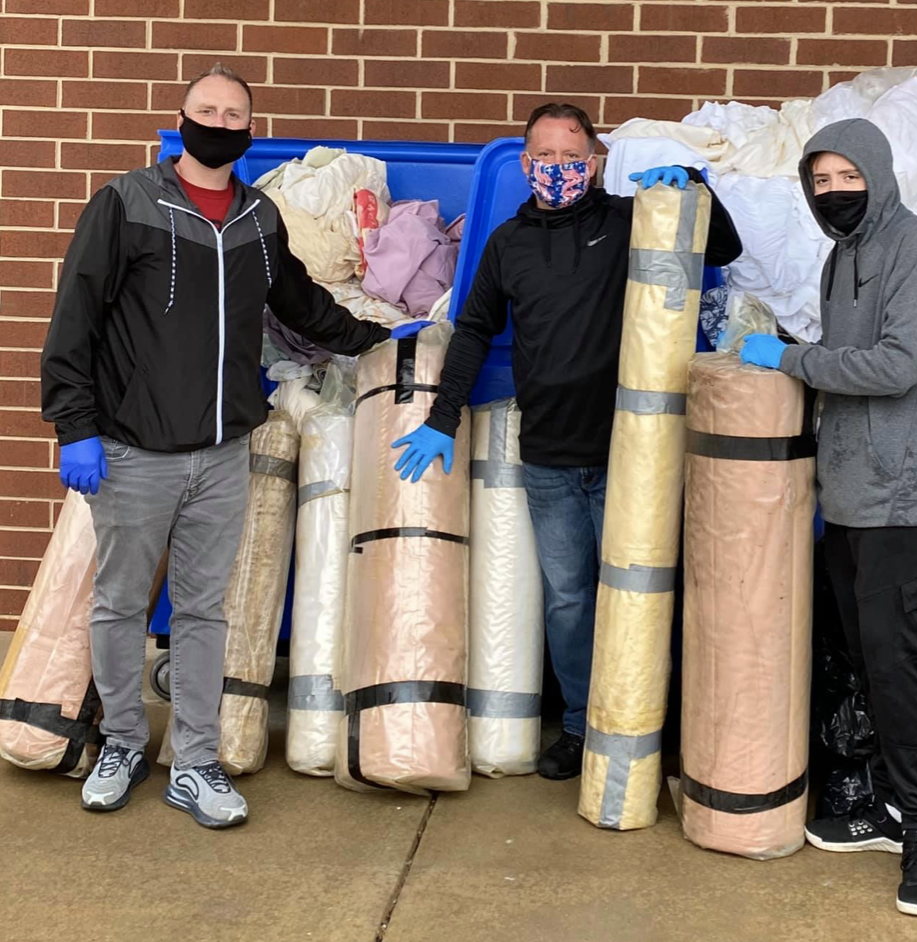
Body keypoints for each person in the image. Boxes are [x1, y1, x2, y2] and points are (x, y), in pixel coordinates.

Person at [40, 62, 427, 829]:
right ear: (182, 120)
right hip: (135, 450)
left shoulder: (258, 217)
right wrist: (75, 427)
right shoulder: (126, 204)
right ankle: (122, 744)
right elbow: (73, 319)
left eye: (233, 114)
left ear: (250, 130)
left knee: (201, 612)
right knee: (119, 606)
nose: (219, 123)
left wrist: (381, 338)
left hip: (222, 453)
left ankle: (193, 762)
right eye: (206, 111)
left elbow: (302, 303)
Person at [390, 103, 743, 780]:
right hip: (548, 457)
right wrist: (442, 417)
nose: (558, 169)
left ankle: (650, 725)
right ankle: (581, 726)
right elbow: (473, 331)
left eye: (572, 157)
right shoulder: (508, 244)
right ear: (526, 164)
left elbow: (721, 250)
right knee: (569, 600)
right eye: (545, 157)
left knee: (641, 595)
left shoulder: (631, 220)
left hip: (631, 457)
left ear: (595, 163)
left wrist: (696, 187)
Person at [740, 119, 917, 917]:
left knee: (898, 664)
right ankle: (893, 808)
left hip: (901, 492)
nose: (834, 192)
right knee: (867, 660)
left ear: (877, 173)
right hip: (849, 491)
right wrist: (791, 348)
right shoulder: (842, 257)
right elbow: (848, 360)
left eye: (847, 177)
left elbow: (899, 365)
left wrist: (793, 359)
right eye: (821, 181)